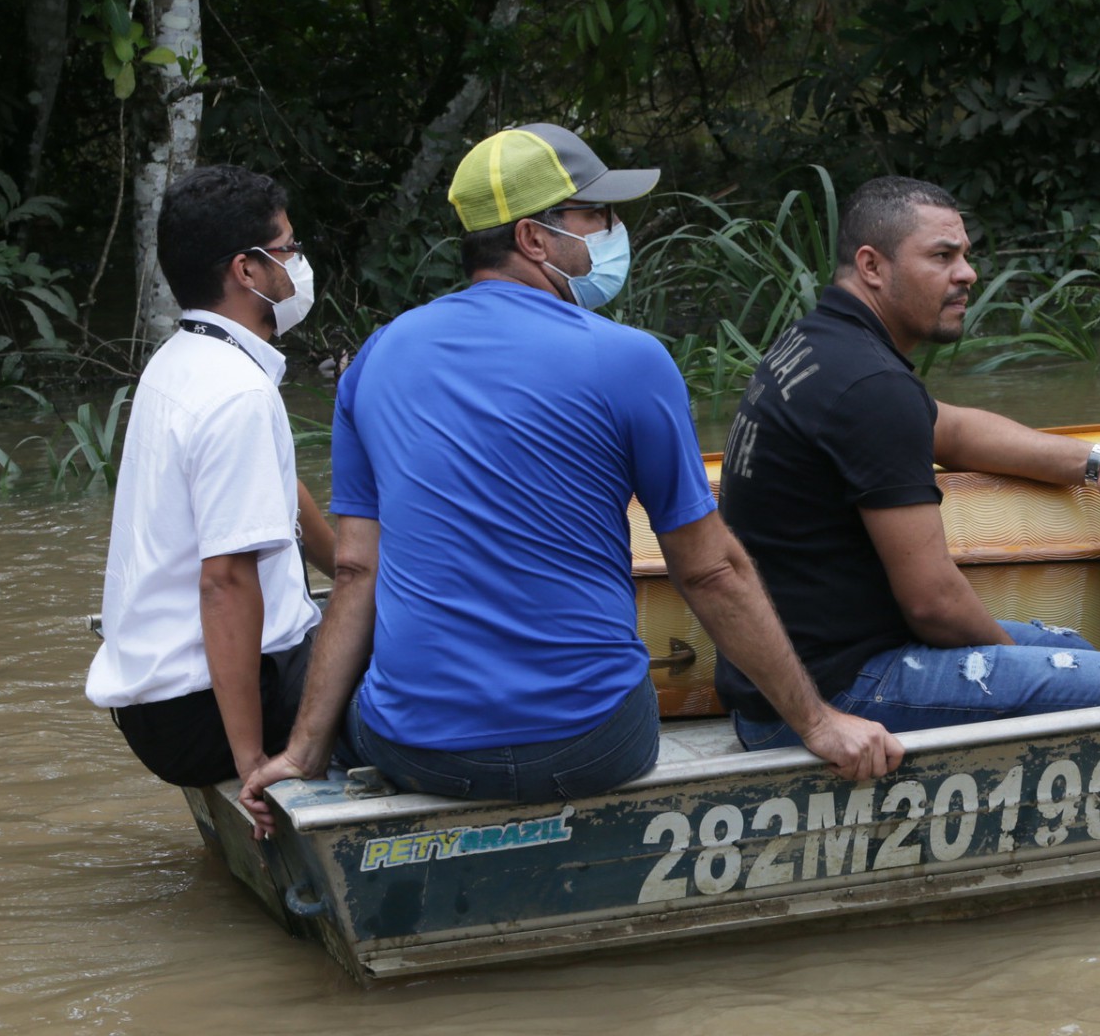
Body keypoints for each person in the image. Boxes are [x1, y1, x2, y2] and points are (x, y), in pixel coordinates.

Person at [239, 124, 901, 833]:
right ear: (534, 239)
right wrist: (818, 721)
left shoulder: (377, 358)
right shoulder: (631, 360)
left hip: (421, 754)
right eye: (599, 216)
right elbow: (710, 573)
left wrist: (304, 751)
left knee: (360, 701)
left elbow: (354, 572)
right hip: (594, 747)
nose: (617, 232)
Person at [715, 175, 1100, 750]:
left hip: (792, 678)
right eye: (942, 257)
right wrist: (1010, 663)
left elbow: (954, 429)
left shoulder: (818, 342)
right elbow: (934, 605)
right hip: (825, 699)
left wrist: (1098, 462)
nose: (968, 273)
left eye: (965, 255)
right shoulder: (871, 386)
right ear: (872, 266)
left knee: (1074, 650)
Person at [87, 165, 329, 786]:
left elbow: (280, 490)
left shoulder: (180, 360)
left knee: (368, 610)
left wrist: (362, 571)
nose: (297, 264)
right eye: (288, 250)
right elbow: (224, 583)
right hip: (201, 719)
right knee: (425, 646)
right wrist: (251, 761)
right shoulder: (237, 393)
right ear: (247, 270)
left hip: (156, 710)